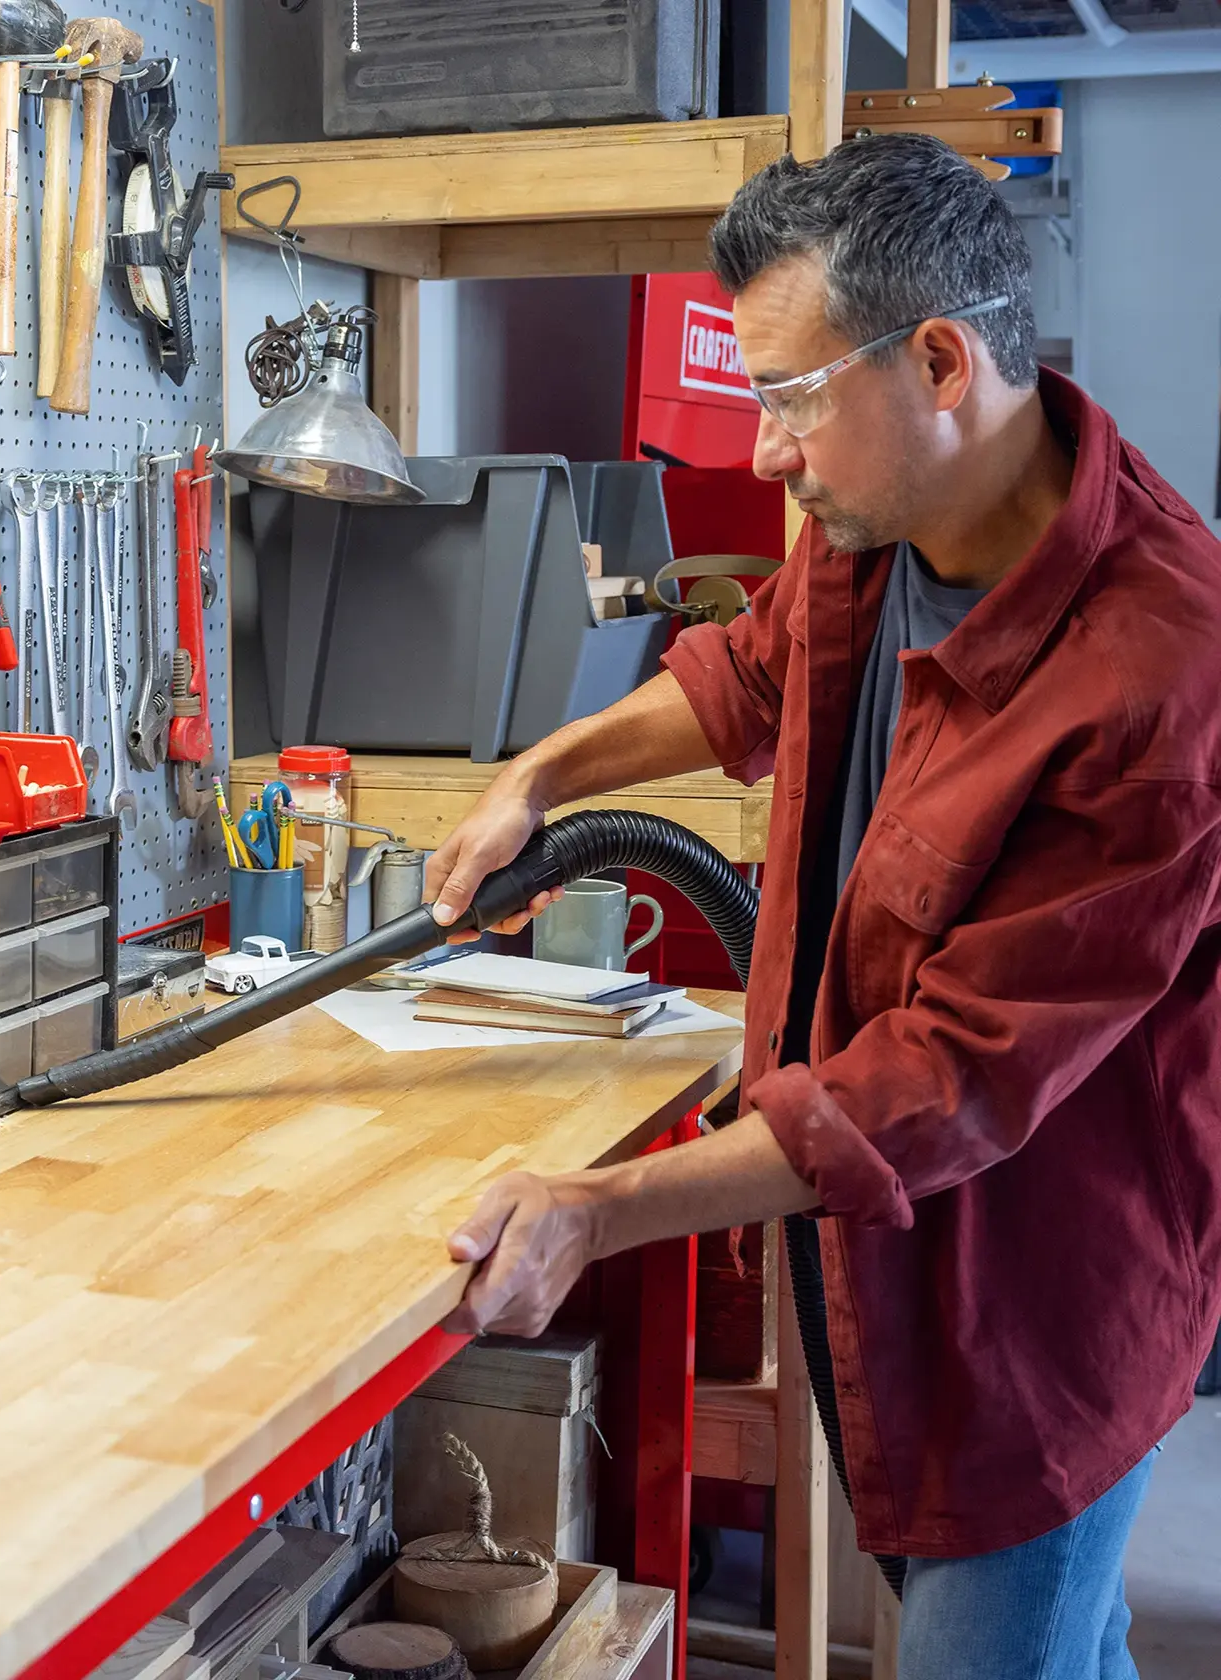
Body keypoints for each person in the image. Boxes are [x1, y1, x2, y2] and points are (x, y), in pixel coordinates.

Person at [424, 133, 1221, 1680]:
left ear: (941, 364)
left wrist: (595, 1208)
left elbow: (947, 1081)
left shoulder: (1160, 675)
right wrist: (544, 770)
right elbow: (748, 673)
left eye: (790, 397)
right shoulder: (881, 522)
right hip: (876, 1273)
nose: (767, 453)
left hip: (1033, 1324)